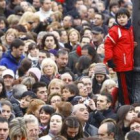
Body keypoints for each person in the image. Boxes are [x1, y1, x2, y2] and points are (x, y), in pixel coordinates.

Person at [104, 8, 135, 105]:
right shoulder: (115, 30)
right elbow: (108, 45)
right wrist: (109, 59)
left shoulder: (129, 28)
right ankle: (126, 106)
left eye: (123, 17)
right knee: (125, 88)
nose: (121, 19)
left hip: (129, 62)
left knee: (128, 86)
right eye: (119, 17)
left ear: (128, 18)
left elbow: (125, 44)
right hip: (121, 64)